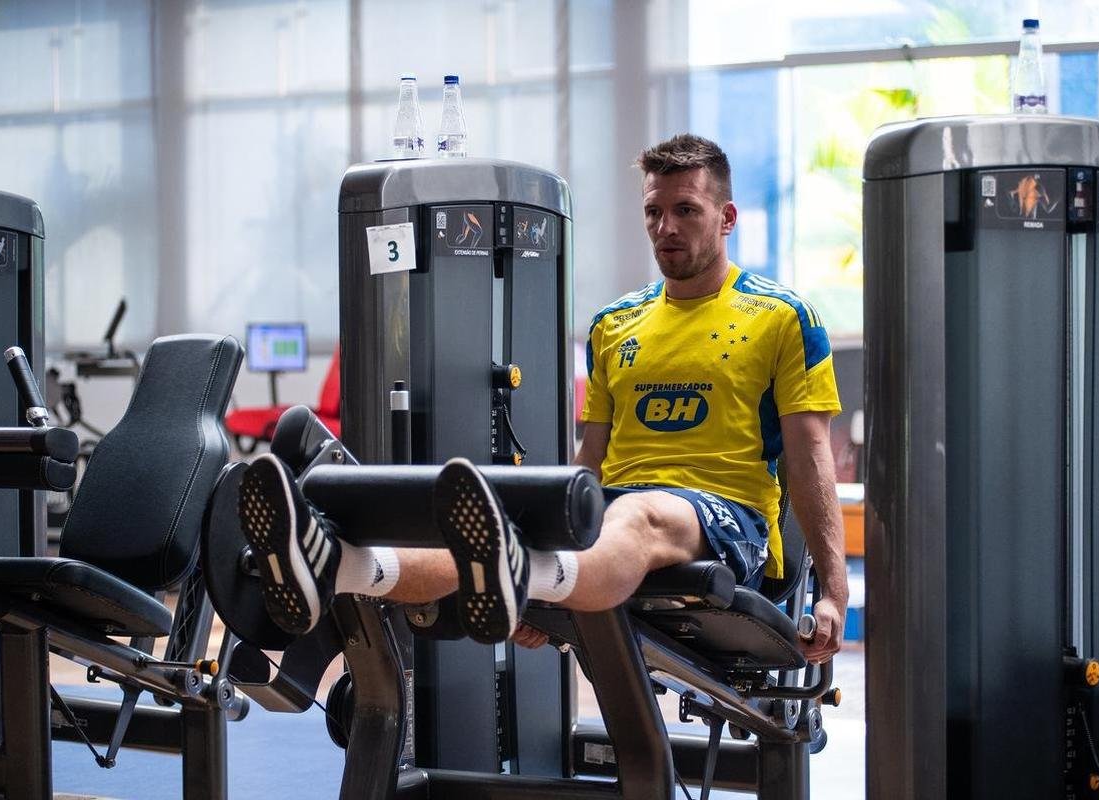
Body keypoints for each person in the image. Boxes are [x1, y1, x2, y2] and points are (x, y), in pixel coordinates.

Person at [237, 133, 847, 664]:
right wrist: (554, 522)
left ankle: (523, 574)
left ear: (727, 217)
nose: (666, 228)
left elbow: (810, 455)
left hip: (721, 516)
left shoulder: (781, 317)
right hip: (614, 503)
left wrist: (832, 591)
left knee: (640, 517)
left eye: (686, 210)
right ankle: (334, 564)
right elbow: (590, 458)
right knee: (488, 514)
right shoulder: (616, 324)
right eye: (653, 212)